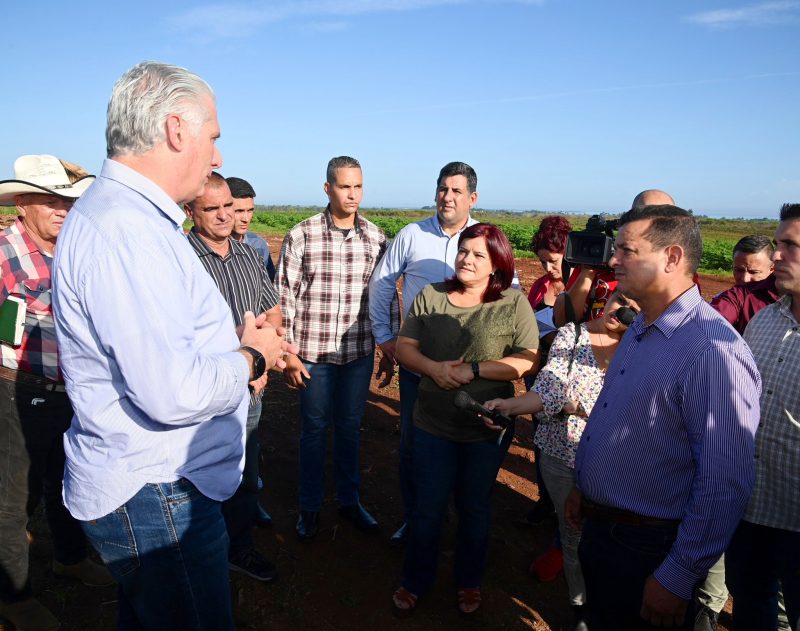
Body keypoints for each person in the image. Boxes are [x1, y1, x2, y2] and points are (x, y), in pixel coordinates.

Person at [51, 61, 296, 630]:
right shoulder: (129, 233)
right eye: (214, 136)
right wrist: (250, 357)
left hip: (154, 490)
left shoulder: (128, 219)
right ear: (177, 130)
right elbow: (171, 391)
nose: (218, 156)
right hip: (159, 495)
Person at [565, 204, 761, 631]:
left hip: (650, 547)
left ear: (672, 257)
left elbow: (725, 480)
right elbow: (616, 414)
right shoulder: (640, 325)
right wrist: (585, 486)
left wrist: (678, 575)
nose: (614, 260)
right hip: (606, 528)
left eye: (627, 250)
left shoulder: (712, 352)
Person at [390, 223, 539, 617]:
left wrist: (474, 369)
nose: (466, 260)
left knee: (474, 507)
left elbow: (527, 358)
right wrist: (434, 369)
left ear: (497, 264)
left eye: (477, 255)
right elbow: (405, 347)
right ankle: (416, 578)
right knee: (428, 507)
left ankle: (469, 580)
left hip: (485, 428)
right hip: (432, 424)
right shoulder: (431, 295)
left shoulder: (513, 303)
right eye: (463, 251)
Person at [0, 155, 113, 631]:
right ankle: (13, 597)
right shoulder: (4, 252)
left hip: (73, 391)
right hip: (16, 392)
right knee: (13, 499)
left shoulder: (74, 249)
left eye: (68, 200)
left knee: (68, 480)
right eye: (50, 200)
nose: (62, 209)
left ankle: (70, 558)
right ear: (22, 203)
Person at [486, 289, 640, 631]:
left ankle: (607, 605)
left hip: (613, 462)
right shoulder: (573, 335)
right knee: (573, 535)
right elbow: (550, 387)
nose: (621, 311)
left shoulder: (642, 350)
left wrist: (579, 408)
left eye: (634, 309)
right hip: (561, 456)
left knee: (610, 540)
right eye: (620, 300)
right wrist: (511, 406)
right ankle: (580, 606)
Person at [277, 156, 395, 541]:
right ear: (328, 188)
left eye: (358, 186)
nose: (352, 194)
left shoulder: (376, 238)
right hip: (314, 354)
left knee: (349, 428)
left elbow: (385, 298)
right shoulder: (302, 235)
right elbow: (285, 298)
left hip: (357, 353)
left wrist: (389, 347)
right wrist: (288, 353)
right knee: (313, 429)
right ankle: (309, 507)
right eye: (345, 186)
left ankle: (349, 501)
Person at [369, 161, 484, 546]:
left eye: (456, 191)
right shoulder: (412, 234)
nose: (447, 197)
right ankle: (416, 518)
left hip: (470, 370)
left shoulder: (484, 239)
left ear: (472, 198)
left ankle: (456, 522)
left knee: (466, 447)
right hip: (418, 367)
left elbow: (508, 293)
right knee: (414, 446)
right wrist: (385, 337)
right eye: (442, 189)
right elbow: (382, 284)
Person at [185, 173, 282, 581]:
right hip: (203, 393)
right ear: (190, 211)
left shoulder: (247, 255)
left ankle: (239, 548)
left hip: (250, 392)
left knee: (243, 474)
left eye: (228, 205)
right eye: (212, 208)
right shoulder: (180, 259)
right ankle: (200, 555)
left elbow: (272, 311)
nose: (225, 215)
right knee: (198, 478)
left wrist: (262, 361)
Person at [726, 202, 800, 631]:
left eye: (790, 245)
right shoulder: (765, 321)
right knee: (751, 604)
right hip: (752, 505)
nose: (777, 254)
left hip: (796, 517)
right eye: (778, 243)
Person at [553, 189, 674, 328]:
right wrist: (588, 272)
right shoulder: (600, 260)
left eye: (660, 219)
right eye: (642, 216)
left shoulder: (676, 271)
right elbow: (565, 321)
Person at [226, 175, 276, 281]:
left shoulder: (258, 244)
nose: (246, 219)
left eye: (250, 210)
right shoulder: (211, 247)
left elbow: (269, 282)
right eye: (239, 211)